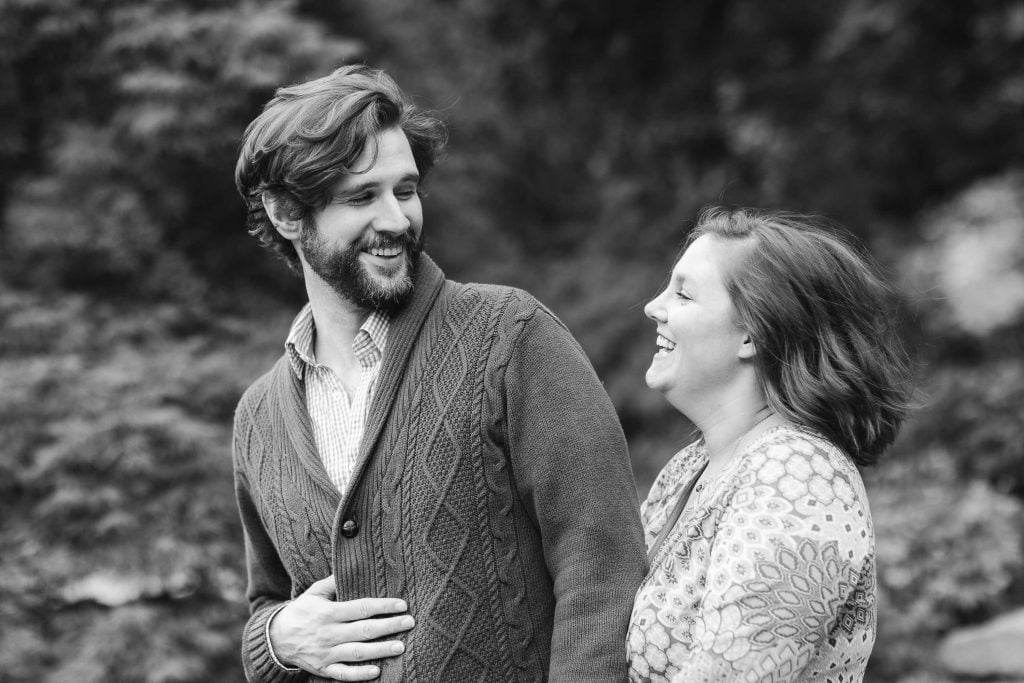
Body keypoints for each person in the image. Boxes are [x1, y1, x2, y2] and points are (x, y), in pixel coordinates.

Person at [231, 63, 647, 683]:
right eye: (362, 196)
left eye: (406, 189)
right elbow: (269, 603)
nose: (397, 220)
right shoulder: (259, 418)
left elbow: (602, 566)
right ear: (289, 214)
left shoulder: (509, 336)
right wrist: (276, 640)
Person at [627, 208, 913, 682]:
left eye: (683, 294)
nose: (653, 307)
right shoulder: (691, 466)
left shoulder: (800, 476)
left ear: (752, 334)